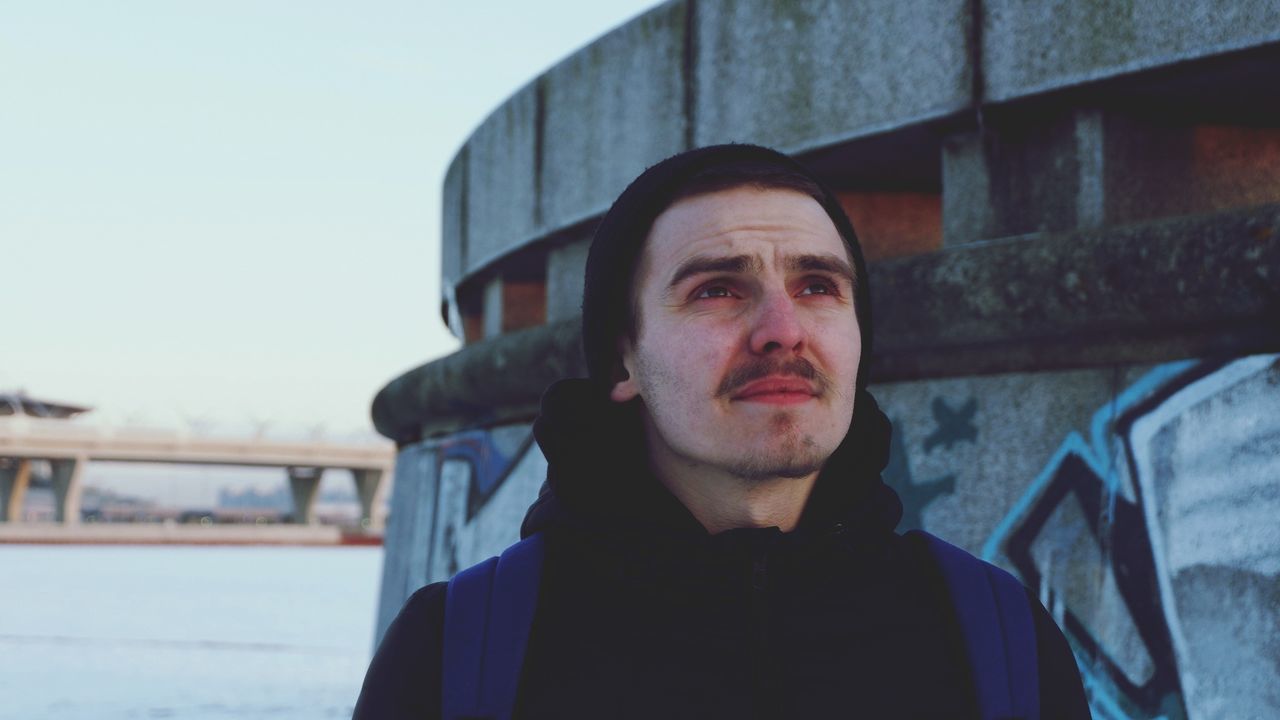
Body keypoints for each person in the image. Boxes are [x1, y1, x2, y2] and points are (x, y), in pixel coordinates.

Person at [353, 144, 1091, 719]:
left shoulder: (998, 640)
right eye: (716, 289)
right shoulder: (458, 654)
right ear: (622, 360)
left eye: (817, 286)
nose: (782, 331)